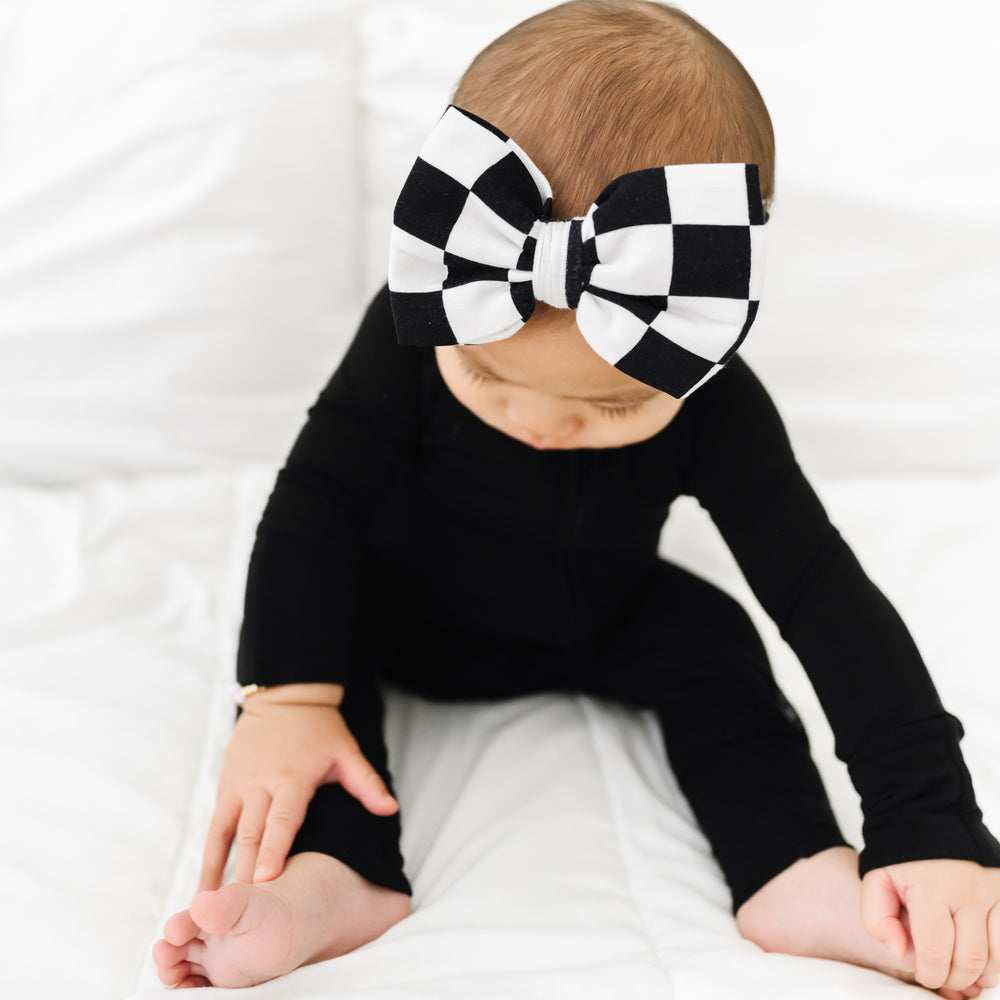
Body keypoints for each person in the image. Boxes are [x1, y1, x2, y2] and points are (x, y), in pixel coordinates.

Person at [153, 1, 1000, 994]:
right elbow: (317, 501)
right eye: (492, 378)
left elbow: (821, 592)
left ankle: (789, 867)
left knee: (718, 645)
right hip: (405, 607)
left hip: (609, 610)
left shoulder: (713, 400)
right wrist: (287, 696)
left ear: (696, 339)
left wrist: (929, 821)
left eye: (605, 405)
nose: (543, 423)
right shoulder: (412, 328)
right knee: (317, 666)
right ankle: (337, 875)